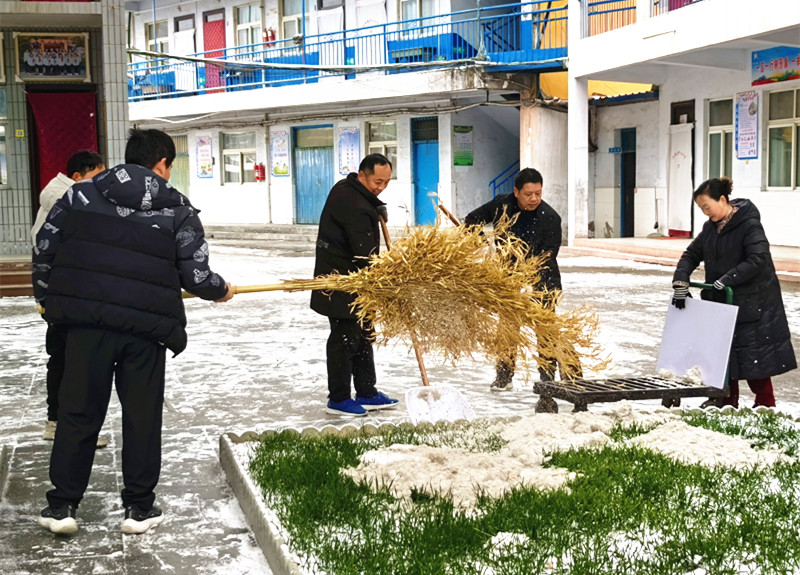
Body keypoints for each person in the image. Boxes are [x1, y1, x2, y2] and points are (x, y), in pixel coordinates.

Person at [33, 129, 234, 535]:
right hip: (146, 331)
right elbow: (195, 275)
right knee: (141, 416)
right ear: (162, 163)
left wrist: (48, 300)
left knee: (77, 413)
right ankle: (139, 509)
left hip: (86, 326)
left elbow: (44, 248)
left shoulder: (79, 196)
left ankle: (62, 507)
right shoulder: (177, 209)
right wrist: (220, 289)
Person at [671, 177, 796, 409]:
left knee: (753, 358)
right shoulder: (710, 228)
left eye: (707, 207)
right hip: (723, 302)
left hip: (754, 303)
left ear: (722, 199)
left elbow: (759, 259)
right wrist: (681, 281)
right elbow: (690, 255)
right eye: (701, 209)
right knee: (722, 357)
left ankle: (765, 406)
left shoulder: (749, 224)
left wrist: (728, 279)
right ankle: (726, 402)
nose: (705, 213)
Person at [465, 167, 578, 390]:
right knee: (507, 328)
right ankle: (504, 375)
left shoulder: (550, 217)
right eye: (528, 194)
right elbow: (473, 219)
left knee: (545, 329)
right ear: (516, 192)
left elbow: (547, 257)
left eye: (538, 193)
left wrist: (529, 281)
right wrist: (478, 241)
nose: (534, 198)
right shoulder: (502, 205)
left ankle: (547, 378)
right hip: (508, 280)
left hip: (543, 280)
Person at [310, 153, 399, 417]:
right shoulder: (354, 204)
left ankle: (367, 392)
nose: (381, 187)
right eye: (377, 182)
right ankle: (338, 398)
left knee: (363, 336)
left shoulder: (347, 186)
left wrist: (376, 203)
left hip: (357, 282)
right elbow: (365, 255)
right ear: (362, 175)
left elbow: (365, 200)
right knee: (345, 338)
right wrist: (389, 277)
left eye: (386, 182)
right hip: (342, 281)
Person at [31, 151, 107, 446]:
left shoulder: (64, 195)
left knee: (64, 359)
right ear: (78, 176)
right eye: (96, 177)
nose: (101, 184)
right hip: (67, 295)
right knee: (72, 361)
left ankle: (58, 421)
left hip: (62, 294)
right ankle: (67, 426)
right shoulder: (68, 201)